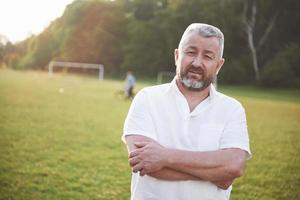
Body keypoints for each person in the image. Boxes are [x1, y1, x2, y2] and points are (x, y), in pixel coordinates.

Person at [122, 23, 251, 200]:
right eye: (191, 52)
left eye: (208, 56)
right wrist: (216, 172)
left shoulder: (232, 109)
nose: (197, 62)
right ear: (177, 56)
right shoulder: (146, 98)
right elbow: (144, 164)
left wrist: (165, 156)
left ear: (219, 65)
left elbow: (234, 166)